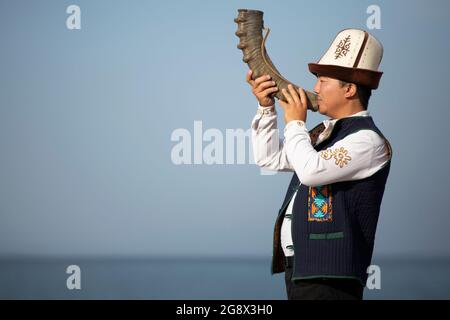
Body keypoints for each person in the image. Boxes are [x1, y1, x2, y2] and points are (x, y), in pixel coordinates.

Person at [247, 29, 392, 300]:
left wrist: (295, 122)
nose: (315, 88)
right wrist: (266, 109)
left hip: (333, 277)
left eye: (323, 81)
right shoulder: (321, 134)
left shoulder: (367, 141)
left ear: (349, 89)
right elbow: (269, 158)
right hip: (301, 269)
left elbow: (312, 171)